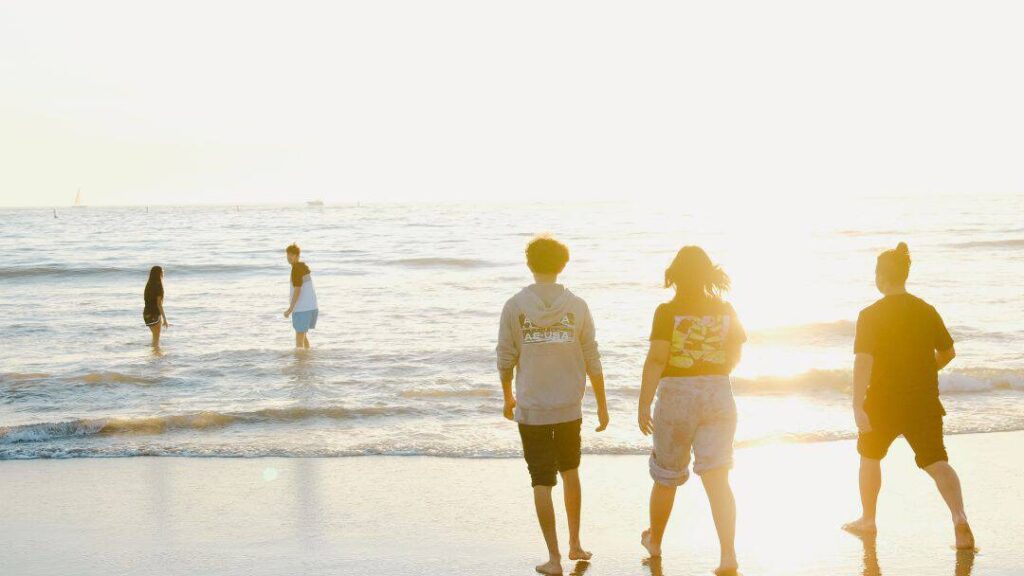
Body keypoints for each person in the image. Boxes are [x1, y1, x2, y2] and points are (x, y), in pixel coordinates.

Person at [843, 242, 975, 549]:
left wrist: (857, 404)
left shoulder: (870, 315)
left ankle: (868, 520)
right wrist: (927, 369)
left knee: (870, 457)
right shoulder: (926, 310)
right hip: (924, 401)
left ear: (881, 277)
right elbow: (949, 352)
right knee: (937, 461)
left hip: (882, 402)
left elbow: (863, 361)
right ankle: (959, 516)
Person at [496, 235, 609, 576]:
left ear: (530, 264)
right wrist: (602, 405)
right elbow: (593, 358)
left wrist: (507, 396)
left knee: (541, 479)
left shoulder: (515, 305)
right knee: (571, 471)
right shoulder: (577, 306)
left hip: (532, 408)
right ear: (563, 265)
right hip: (569, 406)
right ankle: (575, 543)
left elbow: (505, 358)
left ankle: (555, 558)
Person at [637, 246, 745, 575]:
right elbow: (736, 350)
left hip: (677, 397)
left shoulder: (666, 312)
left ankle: (655, 542)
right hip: (718, 393)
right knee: (717, 477)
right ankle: (728, 556)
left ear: (676, 276)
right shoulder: (726, 309)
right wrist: (716, 369)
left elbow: (657, 359)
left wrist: (643, 402)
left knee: (667, 476)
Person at [283, 243, 319, 349]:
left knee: (299, 339)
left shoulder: (296, 269)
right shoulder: (302, 267)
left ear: (297, 256)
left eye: (292, 255)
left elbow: (297, 290)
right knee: (303, 335)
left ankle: (300, 363)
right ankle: (307, 358)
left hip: (302, 308)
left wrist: (290, 309)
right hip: (311, 307)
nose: (289, 257)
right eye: (288, 255)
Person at [143, 266, 168, 348]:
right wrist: (165, 319)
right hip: (154, 314)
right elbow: (159, 304)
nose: (163, 273)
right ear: (159, 274)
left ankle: (154, 357)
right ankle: (156, 356)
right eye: (162, 272)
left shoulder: (148, 285)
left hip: (146, 314)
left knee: (154, 337)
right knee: (156, 339)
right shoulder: (159, 286)